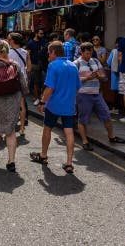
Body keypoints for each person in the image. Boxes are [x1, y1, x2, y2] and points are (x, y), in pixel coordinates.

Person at [30, 41, 81, 173]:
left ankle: (43, 155)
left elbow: (50, 88)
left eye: (49, 52)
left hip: (53, 105)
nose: (48, 55)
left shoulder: (53, 66)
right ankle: (69, 163)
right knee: (69, 132)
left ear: (53, 52)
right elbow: (77, 88)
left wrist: (42, 102)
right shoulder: (73, 66)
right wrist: (72, 101)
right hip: (68, 105)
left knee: (47, 128)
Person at [0, 40, 28, 171]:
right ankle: (11, 161)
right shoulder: (15, 65)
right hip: (12, 102)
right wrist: (23, 97)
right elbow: (24, 85)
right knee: (10, 131)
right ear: (7, 51)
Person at [75, 42, 125, 148]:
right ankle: (85, 142)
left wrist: (100, 76)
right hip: (84, 95)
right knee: (83, 119)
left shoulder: (96, 61)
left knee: (107, 115)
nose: (89, 56)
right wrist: (87, 78)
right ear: (82, 52)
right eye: (87, 53)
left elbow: (104, 77)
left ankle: (112, 137)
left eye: (90, 53)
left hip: (97, 94)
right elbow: (73, 80)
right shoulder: (76, 64)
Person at [7, 32, 28, 139]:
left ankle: (11, 127)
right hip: (23, 80)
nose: (8, 41)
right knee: (22, 105)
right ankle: (22, 128)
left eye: (9, 39)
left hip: (12, 80)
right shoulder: (25, 52)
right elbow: (28, 68)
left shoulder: (8, 53)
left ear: (13, 41)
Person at [25, 28, 48, 104]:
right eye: (40, 33)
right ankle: (36, 98)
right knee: (35, 82)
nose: (42, 35)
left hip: (43, 64)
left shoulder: (43, 42)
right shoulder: (30, 43)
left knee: (43, 82)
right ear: (36, 33)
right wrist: (29, 65)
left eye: (42, 33)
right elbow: (27, 55)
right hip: (34, 64)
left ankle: (41, 97)